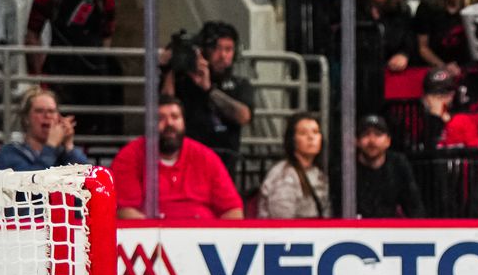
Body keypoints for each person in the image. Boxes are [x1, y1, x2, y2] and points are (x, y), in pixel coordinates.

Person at [24, 0, 119, 137]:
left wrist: (98, 59)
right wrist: (39, 69)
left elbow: (107, 33)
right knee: (61, 126)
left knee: (96, 127)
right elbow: (32, 33)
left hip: (94, 71)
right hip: (61, 69)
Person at [113, 96, 244, 220]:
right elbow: (124, 210)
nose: (169, 123)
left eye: (175, 117)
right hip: (152, 241)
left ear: (184, 122)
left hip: (202, 239)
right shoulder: (129, 156)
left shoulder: (206, 157)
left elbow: (233, 210)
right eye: (160, 118)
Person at [163, 21, 255, 174]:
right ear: (204, 50)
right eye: (217, 49)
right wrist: (170, 68)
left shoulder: (240, 84)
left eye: (228, 49)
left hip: (223, 165)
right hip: (187, 163)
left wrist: (208, 89)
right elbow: (165, 106)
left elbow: (243, 116)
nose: (223, 55)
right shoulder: (183, 82)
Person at [355, 0, 417, 116]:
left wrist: (404, 54)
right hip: (360, 77)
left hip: (390, 78)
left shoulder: (401, 11)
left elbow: (410, 40)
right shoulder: (354, 10)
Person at [0, 87, 91, 171]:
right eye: (39, 111)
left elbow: (88, 181)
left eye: (52, 111)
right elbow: (31, 189)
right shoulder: (9, 153)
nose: (47, 116)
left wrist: (69, 145)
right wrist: (50, 146)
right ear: (26, 118)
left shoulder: (64, 153)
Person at [256, 113, 330, 218]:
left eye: (315, 132)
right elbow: (282, 221)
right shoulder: (283, 175)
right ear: (292, 140)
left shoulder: (319, 173)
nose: (311, 137)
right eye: (303, 133)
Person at [353, 115, 426, 219]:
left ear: (388, 141)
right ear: (357, 141)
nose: (372, 140)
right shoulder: (348, 167)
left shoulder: (398, 164)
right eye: (365, 134)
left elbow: (415, 208)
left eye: (378, 134)